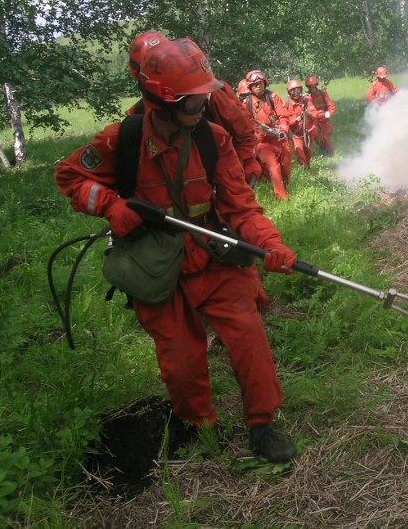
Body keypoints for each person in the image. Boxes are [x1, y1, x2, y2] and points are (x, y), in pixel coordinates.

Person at [55, 36, 299, 463]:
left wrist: (270, 244)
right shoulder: (121, 141)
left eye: (204, 99)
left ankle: (262, 425)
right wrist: (112, 206)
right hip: (155, 265)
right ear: (161, 101)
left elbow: (241, 207)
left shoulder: (214, 140)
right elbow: (69, 176)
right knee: (180, 357)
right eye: (192, 103)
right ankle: (197, 423)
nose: (202, 109)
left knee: (249, 336)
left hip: (212, 254)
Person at [128, 31, 262, 189]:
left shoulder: (210, 93)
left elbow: (241, 128)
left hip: (217, 167)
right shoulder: (135, 119)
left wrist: (248, 159)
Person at [240, 70, 293, 200]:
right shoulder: (247, 104)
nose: (259, 86)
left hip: (280, 139)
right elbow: (245, 124)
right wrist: (259, 133)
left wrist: (283, 129)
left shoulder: (273, 97)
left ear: (265, 83)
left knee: (285, 168)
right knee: (274, 168)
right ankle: (283, 198)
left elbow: (283, 115)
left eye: (260, 83)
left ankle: (284, 186)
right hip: (263, 143)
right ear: (250, 87)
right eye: (255, 84)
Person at [284, 79, 314, 169]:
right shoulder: (286, 104)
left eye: (298, 90)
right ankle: (304, 169)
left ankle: (308, 166)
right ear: (289, 92)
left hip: (308, 131)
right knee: (300, 152)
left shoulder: (307, 101)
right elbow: (284, 121)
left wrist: (309, 114)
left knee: (309, 152)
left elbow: (315, 114)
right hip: (296, 134)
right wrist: (296, 120)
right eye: (293, 91)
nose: (296, 93)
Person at [304, 75, 335, 155]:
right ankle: (322, 147)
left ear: (316, 85)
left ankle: (330, 152)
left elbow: (330, 104)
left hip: (324, 118)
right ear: (308, 87)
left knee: (326, 136)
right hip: (314, 119)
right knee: (317, 136)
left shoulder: (323, 93)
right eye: (310, 87)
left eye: (314, 86)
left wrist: (330, 112)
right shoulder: (307, 97)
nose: (312, 88)